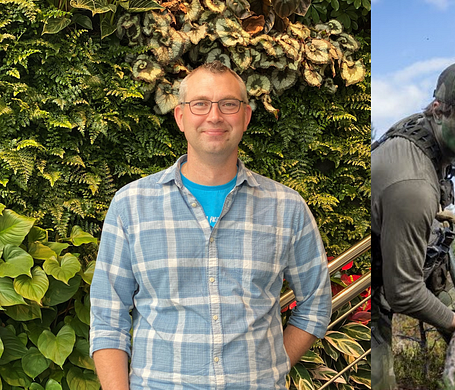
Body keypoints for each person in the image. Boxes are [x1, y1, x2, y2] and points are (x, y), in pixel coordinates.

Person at [89, 61, 332, 389]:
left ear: (245, 117)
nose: (214, 116)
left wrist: (270, 369)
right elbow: (108, 318)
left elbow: (315, 304)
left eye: (228, 104)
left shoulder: (287, 208)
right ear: (180, 117)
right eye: (200, 104)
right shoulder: (130, 205)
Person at [371, 61, 455, 389]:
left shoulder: (428, 134)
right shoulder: (413, 185)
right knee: (379, 380)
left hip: (391, 266)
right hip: (361, 289)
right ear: (438, 110)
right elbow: (403, 293)